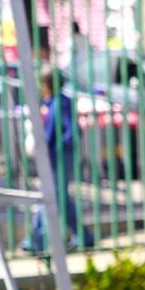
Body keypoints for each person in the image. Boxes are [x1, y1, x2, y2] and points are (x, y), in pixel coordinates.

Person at [25, 67, 91, 251]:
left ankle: (37, 241)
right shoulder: (52, 102)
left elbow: (71, 131)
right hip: (53, 156)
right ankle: (84, 237)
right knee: (58, 198)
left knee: (50, 196)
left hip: (60, 157)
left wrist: (56, 149)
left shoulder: (61, 103)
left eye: (43, 84)